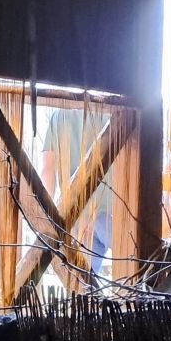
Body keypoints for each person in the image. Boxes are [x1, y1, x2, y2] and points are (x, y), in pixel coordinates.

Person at [42, 107, 113, 275]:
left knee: (84, 282)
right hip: (111, 213)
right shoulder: (109, 111)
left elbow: (48, 170)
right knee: (137, 271)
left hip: (78, 217)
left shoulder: (58, 117)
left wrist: (48, 219)